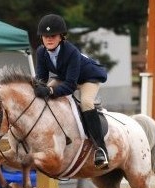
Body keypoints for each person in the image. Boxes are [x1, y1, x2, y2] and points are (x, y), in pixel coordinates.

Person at [33, 14, 109, 169]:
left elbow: (69, 86)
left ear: (61, 36)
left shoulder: (71, 51)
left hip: (89, 78)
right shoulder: (41, 52)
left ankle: (101, 149)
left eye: (53, 35)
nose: (49, 39)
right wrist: (37, 88)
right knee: (41, 96)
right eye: (45, 36)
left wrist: (49, 89)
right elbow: (41, 79)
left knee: (86, 103)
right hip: (66, 78)